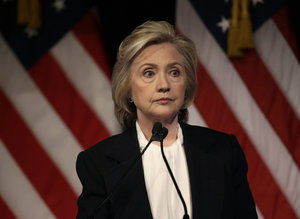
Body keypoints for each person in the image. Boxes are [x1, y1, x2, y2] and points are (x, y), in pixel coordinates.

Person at [76, 20, 258, 219]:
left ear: (186, 85)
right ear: (127, 87)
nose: (164, 84)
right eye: (149, 73)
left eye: (174, 72)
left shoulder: (224, 151)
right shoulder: (99, 163)